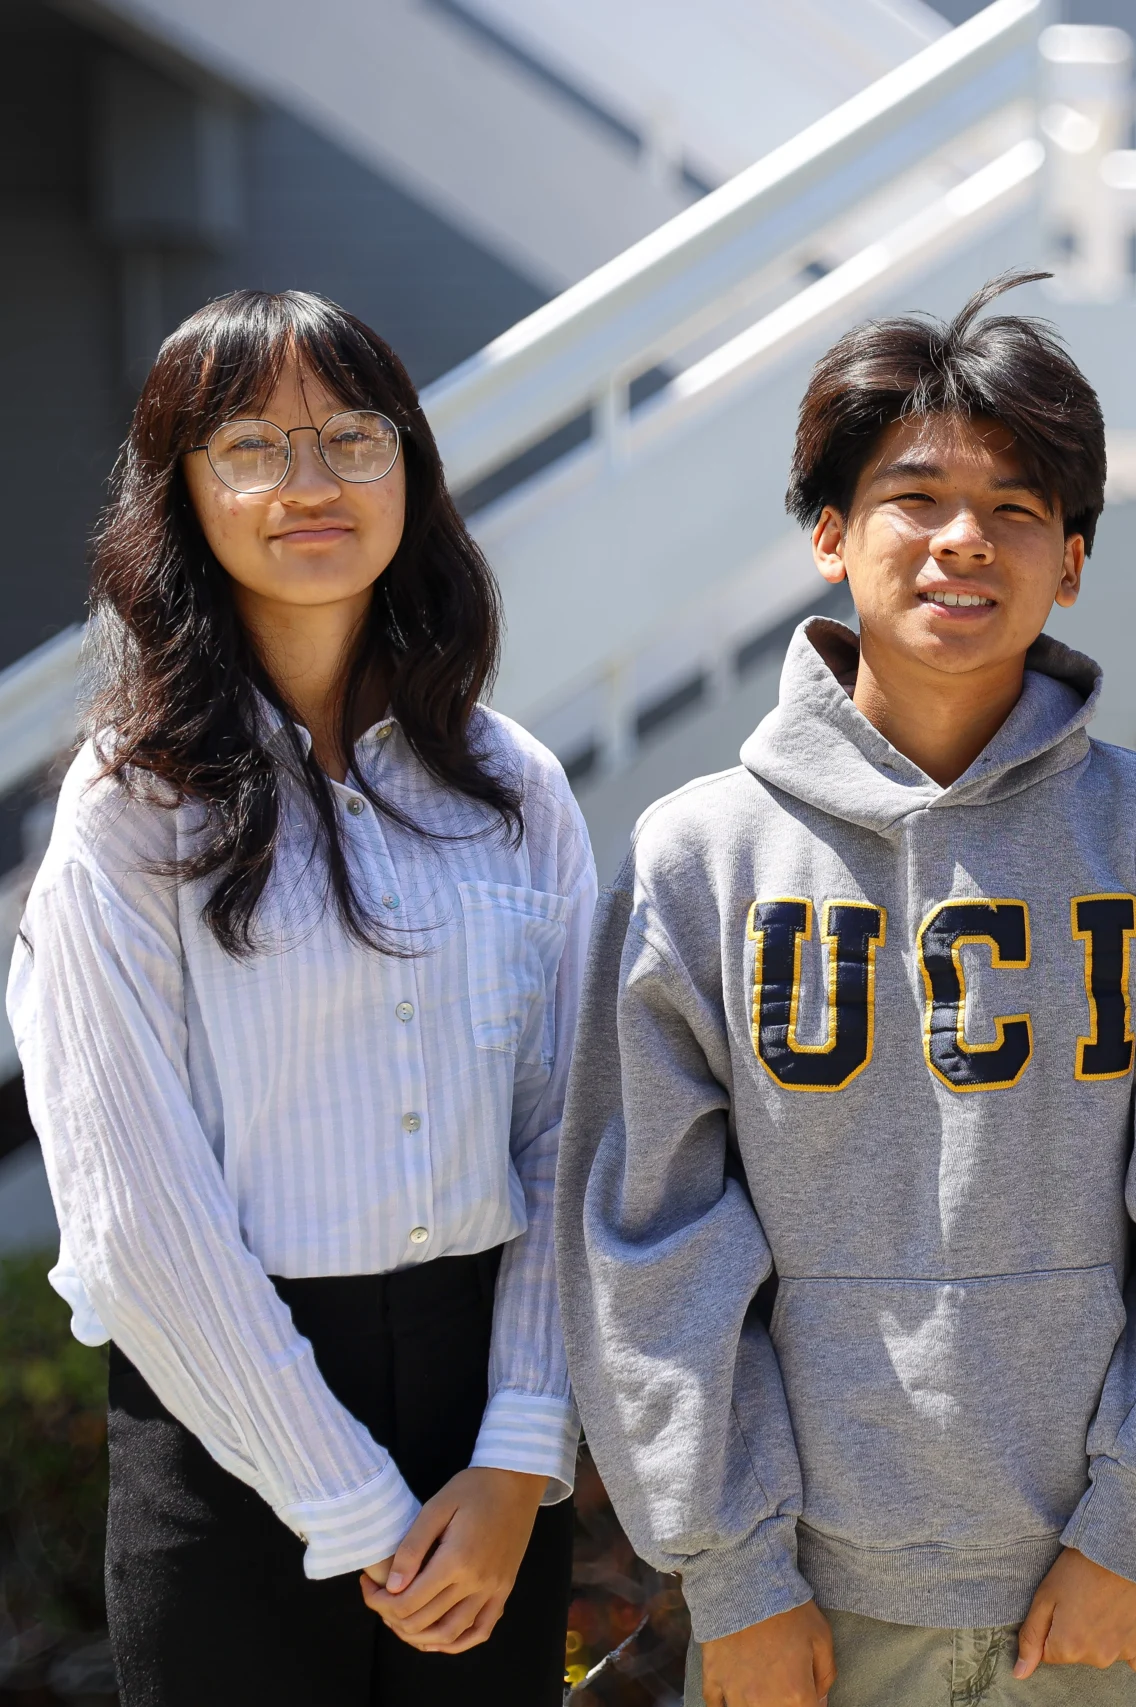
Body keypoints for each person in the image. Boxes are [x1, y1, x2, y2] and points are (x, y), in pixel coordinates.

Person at [553, 271, 1136, 1707]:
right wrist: (737, 1571)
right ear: (830, 536)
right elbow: (644, 1237)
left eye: (1017, 508)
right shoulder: (698, 859)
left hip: (1107, 1595)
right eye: (914, 498)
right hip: (807, 1608)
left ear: (1071, 562)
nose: (965, 538)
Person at [7, 290, 591, 1705]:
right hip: (230, 1447)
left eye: (351, 436)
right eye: (252, 447)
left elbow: (576, 1139)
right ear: (183, 494)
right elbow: (135, 1213)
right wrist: (358, 1507)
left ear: (411, 470)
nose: (310, 481)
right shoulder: (131, 808)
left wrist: (520, 1457)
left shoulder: (515, 790)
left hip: (485, 1462)